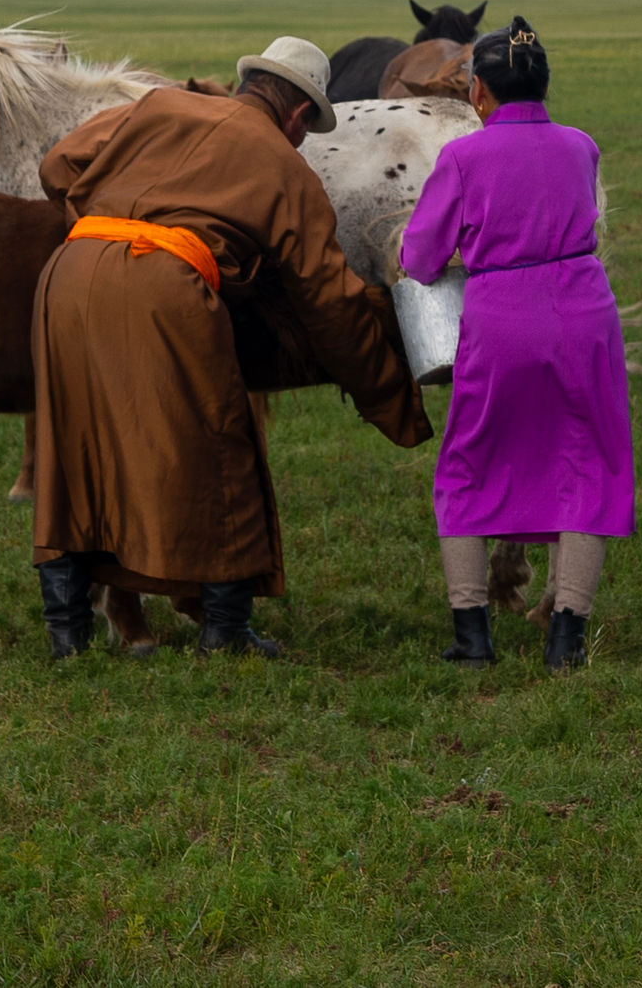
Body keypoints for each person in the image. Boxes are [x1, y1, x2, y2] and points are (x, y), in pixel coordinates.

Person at [29, 35, 430, 659]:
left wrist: (104, 218)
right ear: (298, 114)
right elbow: (329, 300)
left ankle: (66, 631)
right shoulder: (281, 162)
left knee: (75, 445)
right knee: (223, 446)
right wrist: (388, 395)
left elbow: (57, 164)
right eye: (306, 129)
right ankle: (225, 629)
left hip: (69, 273)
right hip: (162, 285)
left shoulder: (157, 105)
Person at [395, 17, 632, 670]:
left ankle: (473, 636)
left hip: (500, 318)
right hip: (586, 314)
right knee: (587, 466)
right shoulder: (582, 146)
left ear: (479, 94)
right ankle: (567, 636)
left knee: (467, 467)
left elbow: (420, 258)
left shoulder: (463, 158)